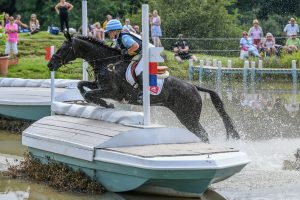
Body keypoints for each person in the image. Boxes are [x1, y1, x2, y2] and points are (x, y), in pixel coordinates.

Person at [105, 19, 143, 103]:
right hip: (139, 54)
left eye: (109, 32)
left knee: (138, 69)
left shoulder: (124, 37)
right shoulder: (118, 38)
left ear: (115, 31)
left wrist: (126, 52)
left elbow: (135, 46)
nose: (108, 34)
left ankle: (143, 92)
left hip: (147, 53)